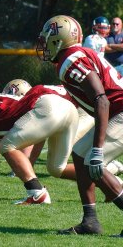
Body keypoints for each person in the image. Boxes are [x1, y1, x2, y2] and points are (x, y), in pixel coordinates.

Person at [36, 15, 123, 236]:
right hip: (116, 110)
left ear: (59, 40)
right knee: (79, 155)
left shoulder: (70, 60)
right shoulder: (74, 56)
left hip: (120, 111)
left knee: (94, 161)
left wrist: (97, 148)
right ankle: (90, 221)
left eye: (47, 40)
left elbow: (101, 99)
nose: (44, 45)